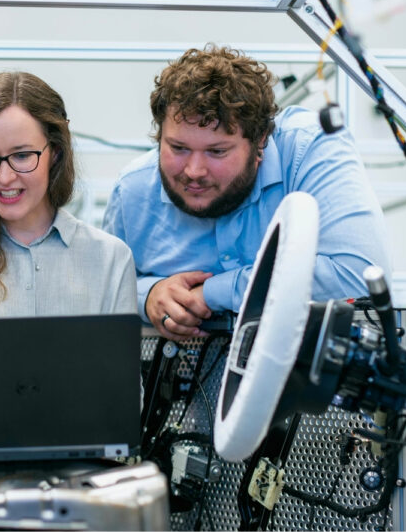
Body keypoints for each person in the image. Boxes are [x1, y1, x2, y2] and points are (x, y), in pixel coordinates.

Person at [103, 44, 391, 342]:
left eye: (217, 151)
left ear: (261, 139)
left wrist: (211, 294)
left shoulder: (309, 150)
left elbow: (358, 274)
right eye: (178, 148)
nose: (194, 171)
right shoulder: (132, 192)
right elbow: (104, 289)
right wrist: (148, 295)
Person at [0, 71, 136, 320]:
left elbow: (116, 360)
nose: (5, 177)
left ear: (56, 153)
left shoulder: (111, 260)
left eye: (21, 156)